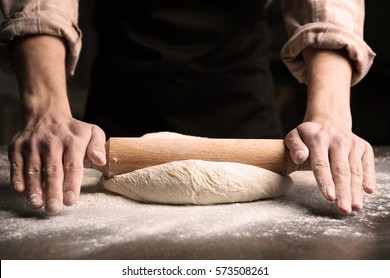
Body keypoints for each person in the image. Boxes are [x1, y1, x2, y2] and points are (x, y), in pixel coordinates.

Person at [0, 0, 376, 215]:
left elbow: (326, 7)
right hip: (118, 120)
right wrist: (46, 107)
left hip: (243, 109)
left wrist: (330, 115)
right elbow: (41, 5)